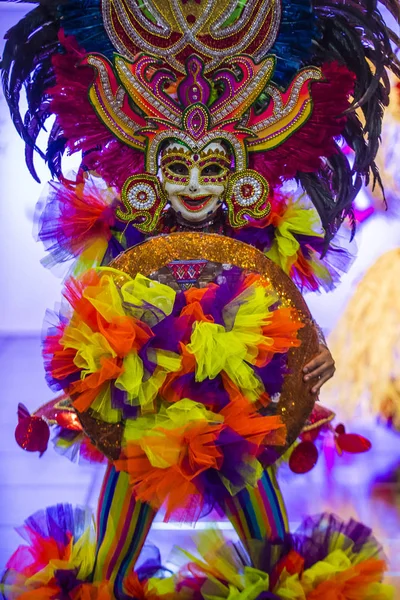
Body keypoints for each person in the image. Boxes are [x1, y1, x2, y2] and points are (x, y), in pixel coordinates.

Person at [1, 1, 398, 598]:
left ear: (236, 170)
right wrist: (86, 374)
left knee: (273, 554)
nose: (192, 185)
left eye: (210, 169)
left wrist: (316, 353)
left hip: (240, 399)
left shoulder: (259, 230)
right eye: (176, 168)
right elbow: (95, 311)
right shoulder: (128, 231)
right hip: (144, 400)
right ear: (151, 169)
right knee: (109, 565)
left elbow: (283, 296)